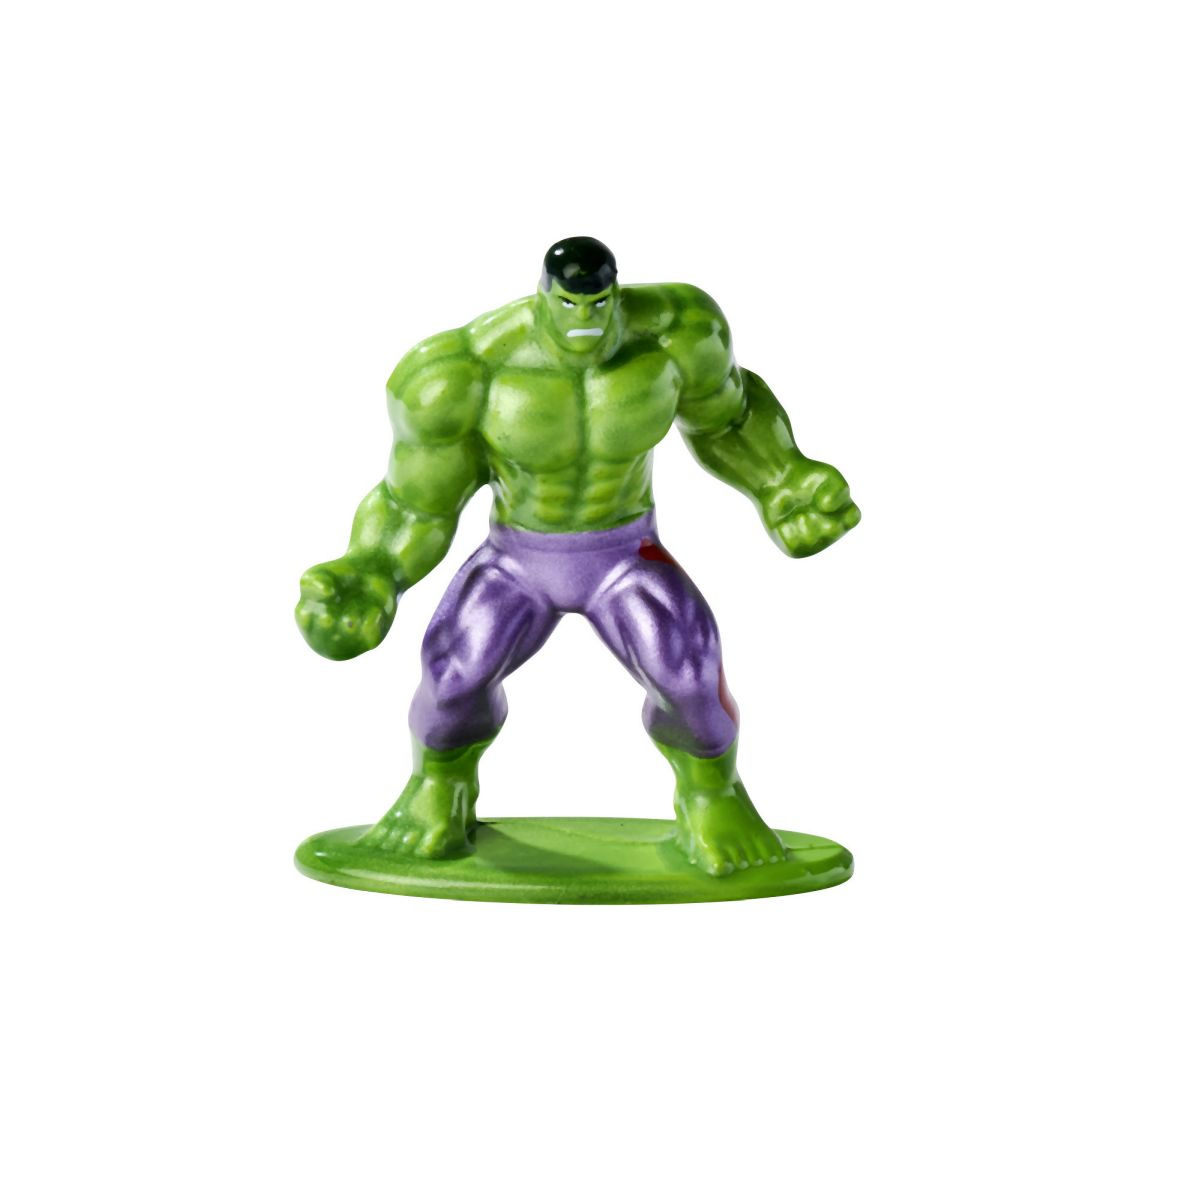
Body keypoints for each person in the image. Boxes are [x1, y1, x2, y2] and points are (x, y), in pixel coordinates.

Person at [296, 237, 859, 876]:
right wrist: (373, 570)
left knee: (688, 673)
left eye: (598, 303)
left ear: (615, 293)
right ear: (544, 296)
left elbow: (730, 420)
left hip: (626, 553)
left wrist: (783, 480)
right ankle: (438, 790)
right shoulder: (464, 373)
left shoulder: (677, 336)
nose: (585, 320)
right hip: (517, 558)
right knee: (453, 676)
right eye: (569, 304)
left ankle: (713, 798)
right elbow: (416, 504)